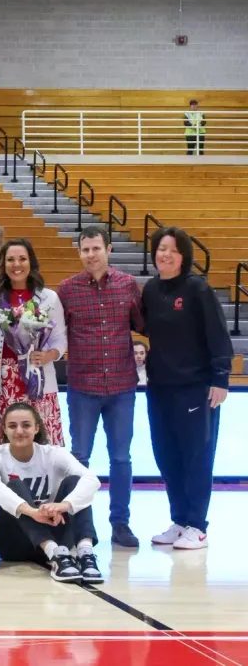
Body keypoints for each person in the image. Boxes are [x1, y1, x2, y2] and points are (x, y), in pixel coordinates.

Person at [141, 226, 231, 550]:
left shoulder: (197, 289)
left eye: (173, 250)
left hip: (195, 388)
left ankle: (198, 525)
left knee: (196, 457)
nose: (165, 255)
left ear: (184, 257)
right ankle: (179, 520)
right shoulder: (150, 290)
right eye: (161, 248)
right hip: (159, 388)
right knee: (166, 456)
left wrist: (220, 379)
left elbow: (219, 336)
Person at [57, 225, 144, 549]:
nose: (91, 255)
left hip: (121, 386)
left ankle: (120, 524)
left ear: (108, 249)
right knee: (79, 457)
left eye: (96, 248)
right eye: (85, 249)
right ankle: (79, 524)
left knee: (121, 458)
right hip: (83, 386)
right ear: (79, 253)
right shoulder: (66, 290)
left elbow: (143, 325)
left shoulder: (128, 285)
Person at [0, 403, 103, 583]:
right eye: (13, 426)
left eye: (26, 425)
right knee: (14, 485)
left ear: (37, 428)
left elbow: (92, 480)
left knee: (76, 482)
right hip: (12, 542)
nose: (19, 431)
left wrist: (64, 505)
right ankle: (53, 554)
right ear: (4, 430)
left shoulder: (53, 453)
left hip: (55, 535)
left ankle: (85, 553)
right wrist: (32, 512)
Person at [0, 239, 67, 453]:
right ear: (3, 264)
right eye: (10, 260)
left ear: (31, 262)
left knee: (42, 447)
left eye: (22, 259)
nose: (17, 264)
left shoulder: (48, 298)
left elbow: (60, 340)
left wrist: (47, 356)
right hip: (0, 382)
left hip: (38, 379)